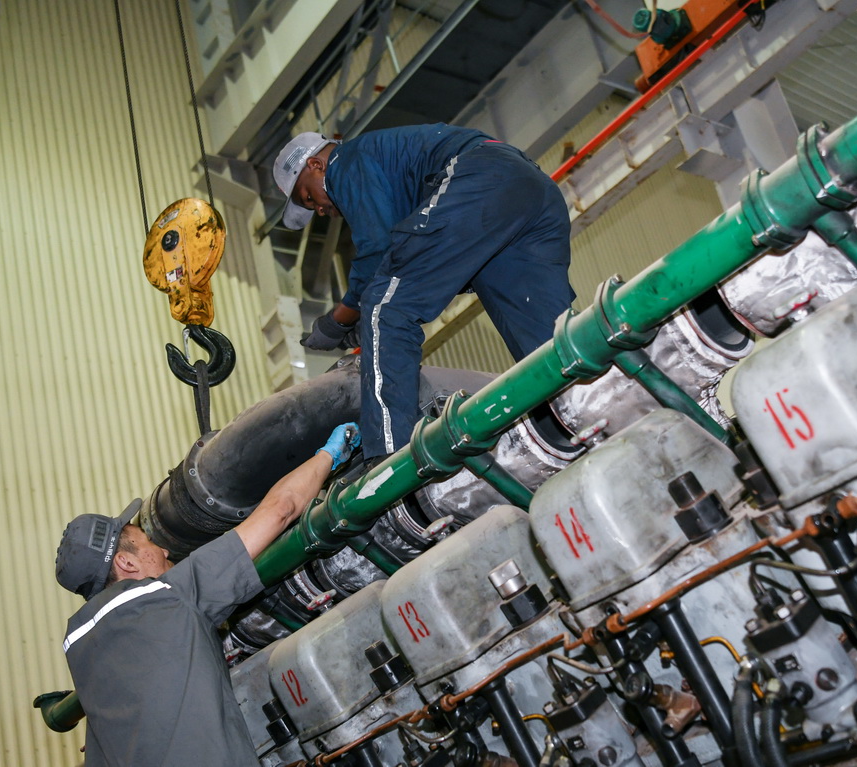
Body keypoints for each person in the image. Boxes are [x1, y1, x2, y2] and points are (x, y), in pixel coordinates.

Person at [54, 423, 361, 766]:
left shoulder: (84, 656)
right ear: (126, 562)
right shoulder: (164, 597)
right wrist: (329, 455)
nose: (165, 553)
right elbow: (282, 509)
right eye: (149, 543)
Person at [274, 124, 575, 459]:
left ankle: (390, 458)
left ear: (315, 165)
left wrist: (338, 320)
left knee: (385, 309)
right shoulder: (388, 170)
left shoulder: (346, 161)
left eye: (308, 196)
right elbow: (416, 259)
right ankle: (578, 414)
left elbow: (377, 250)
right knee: (543, 338)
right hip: (530, 189)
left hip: (480, 178)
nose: (318, 209)